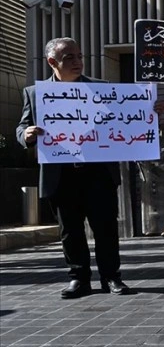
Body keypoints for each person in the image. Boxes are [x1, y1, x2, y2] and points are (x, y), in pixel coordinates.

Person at [16, 37, 130, 298]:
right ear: (52, 62)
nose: (78, 62)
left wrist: (144, 113)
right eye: (70, 58)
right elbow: (21, 128)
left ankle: (111, 278)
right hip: (61, 174)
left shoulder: (102, 89)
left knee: (105, 229)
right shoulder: (35, 94)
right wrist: (27, 135)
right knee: (70, 231)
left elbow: (124, 120)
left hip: (98, 173)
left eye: (80, 56)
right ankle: (79, 279)